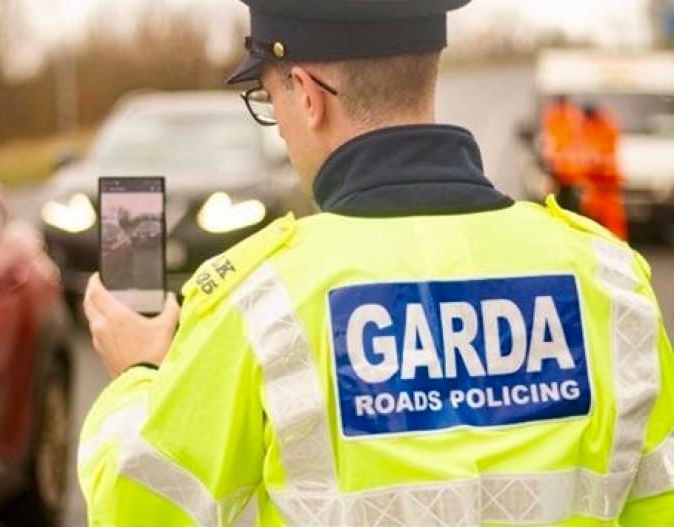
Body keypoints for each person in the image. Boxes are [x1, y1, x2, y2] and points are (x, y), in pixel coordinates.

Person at [77, 0, 674, 525]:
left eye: (269, 98)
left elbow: (137, 510)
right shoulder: (609, 277)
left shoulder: (261, 298)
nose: (280, 127)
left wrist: (138, 376)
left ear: (307, 97)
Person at [580, 103, 628, 240]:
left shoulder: (605, 127)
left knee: (611, 218)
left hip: (606, 182)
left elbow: (602, 154)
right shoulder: (594, 127)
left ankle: (616, 242)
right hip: (597, 183)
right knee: (595, 217)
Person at [541, 95, 588, 212]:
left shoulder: (556, 115)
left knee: (560, 200)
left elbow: (550, 140)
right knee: (566, 201)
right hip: (567, 168)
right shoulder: (572, 114)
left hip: (563, 168)